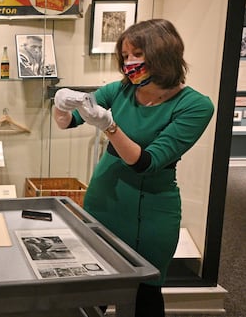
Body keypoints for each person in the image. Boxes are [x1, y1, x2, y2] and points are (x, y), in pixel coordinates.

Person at [53, 19, 214, 317]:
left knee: (144, 294)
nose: (129, 63)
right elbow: (68, 123)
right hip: (102, 204)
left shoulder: (194, 106)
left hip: (149, 214)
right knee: (91, 292)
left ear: (162, 54)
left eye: (136, 54)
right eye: (125, 56)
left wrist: (110, 126)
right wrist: (61, 104)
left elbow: (147, 163)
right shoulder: (120, 90)